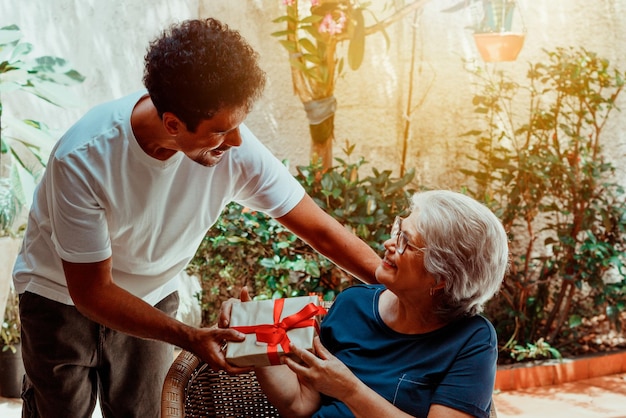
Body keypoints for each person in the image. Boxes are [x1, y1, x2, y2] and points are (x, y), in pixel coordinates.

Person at [12, 18, 381, 418]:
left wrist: (400, 289)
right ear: (172, 124)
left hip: (151, 297)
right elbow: (92, 291)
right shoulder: (85, 158)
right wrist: (190, 337)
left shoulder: (236, 148)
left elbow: (321, 230)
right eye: (222, 130)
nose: (237, 140)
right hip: (60, 295)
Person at [246, 190, 509, 418]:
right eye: (398, 230)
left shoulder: (471, 339)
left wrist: (349, 390)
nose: (389, 243)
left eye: (405, 241)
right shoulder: (352, 304)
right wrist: (252, 335)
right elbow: (299, 405)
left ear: (440, 276)